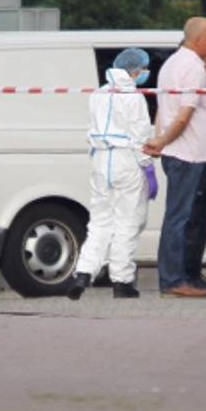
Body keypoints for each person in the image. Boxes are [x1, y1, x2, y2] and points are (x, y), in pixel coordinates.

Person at [144, 17, 206, 298]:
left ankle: (189, 276)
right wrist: (162, 140)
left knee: (191, 218)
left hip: (190, 151)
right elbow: (184, 116)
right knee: (184, 219)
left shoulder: (172, 65)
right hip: (189, 156)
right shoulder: (193, 68)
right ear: (198, 40)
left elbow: (183, 110)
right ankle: (175, 280)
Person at [67, 48, 157, 300]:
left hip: (100, 160)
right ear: (135, 71)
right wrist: (148, 167)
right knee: (128, 222)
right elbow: (140, 135)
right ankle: (122, 281)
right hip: (126, 159)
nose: (145, 73)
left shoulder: (98, 94)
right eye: (144, 69)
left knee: (99, 221)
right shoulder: (133, 96)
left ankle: (83, 273)